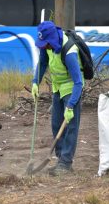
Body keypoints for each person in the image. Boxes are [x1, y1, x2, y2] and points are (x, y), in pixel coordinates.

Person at [31, 21, 84, 176]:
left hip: (71, 88)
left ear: (52, 39)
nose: (44, 47)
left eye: (46, 43)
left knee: (71, 126)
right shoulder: (46, 47)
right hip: (57, 87)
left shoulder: (69, 52)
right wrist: (35, 82)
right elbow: (42, 63)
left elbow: (78, 82)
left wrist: (71, 106)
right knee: (56, 124)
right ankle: (60, 159)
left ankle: (65, 163)